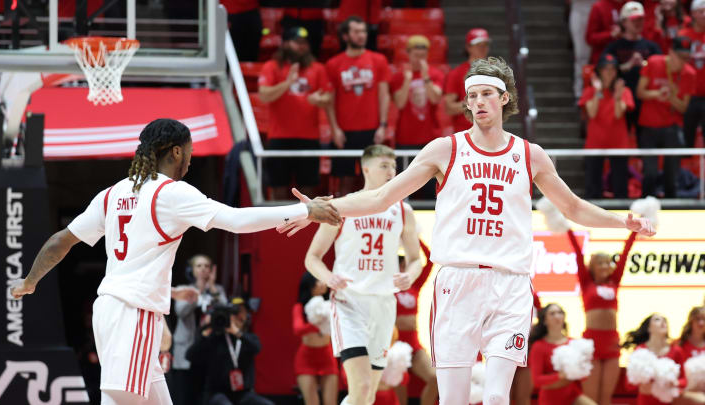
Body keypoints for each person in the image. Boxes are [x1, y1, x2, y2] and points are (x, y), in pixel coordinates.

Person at [279, 56, 655, 405]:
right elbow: (380, 197)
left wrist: (623, 221)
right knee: (454, 400)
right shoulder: (445, 149)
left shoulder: (530, 154)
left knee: (495, 397)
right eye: (472, 96)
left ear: (504, 98)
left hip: (510, 283)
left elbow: (573, 207)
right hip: (457, 282)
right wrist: (321, 208)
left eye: (486, 94)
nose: (478, 102)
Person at [9, 118, 341, 405]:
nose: (191, 163)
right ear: (177, 151)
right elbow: (237, 220)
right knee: (120, 400)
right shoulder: (171, 193)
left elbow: (59, 240)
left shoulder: (111, 194)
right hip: (133, 309)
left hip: (111, 307)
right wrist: (305, 210)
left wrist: (30, 281)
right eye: (191, 154)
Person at [304, 145, 422, 405]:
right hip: (350, 302)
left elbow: (416, 260)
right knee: (362, 386)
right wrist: (328, 277)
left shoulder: (404, 211)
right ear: (364, 168)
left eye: (393, 166)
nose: (391, 172)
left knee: (367, 396)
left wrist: (410, 276)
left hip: (383, 304)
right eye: (383, 166)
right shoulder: (343, 207)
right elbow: (312, 258)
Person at [258, 26, 332, 200]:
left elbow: (328, 97)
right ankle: (277, 223)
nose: (302, 47)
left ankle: (308, 224)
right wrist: (287, 83)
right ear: (285, 44)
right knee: (278, 188)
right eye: (297, 42)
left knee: (308, 190)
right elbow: (264, 95)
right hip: (279, 138)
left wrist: (320, 100)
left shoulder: (318, 68)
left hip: (309, 138)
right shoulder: (272, 66)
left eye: (304, 43)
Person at [568, 223, 637, 405]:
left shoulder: (614, 281)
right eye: (601, 262)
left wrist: (634, 232)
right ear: (592, 266)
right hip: (591, 342)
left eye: (608, 262)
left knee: (606, 398)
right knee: (590, 399)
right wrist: (565, 228)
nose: (606, 265)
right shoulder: (586, 283)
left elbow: (625, 254)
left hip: (612, 342)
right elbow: (577, 252)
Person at [326, 16, 391, 196]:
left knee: (373, 180)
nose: (361, 35)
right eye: (356, 31)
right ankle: (340, 222)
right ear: (345, 36)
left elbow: (384, 94)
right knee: (344, 181)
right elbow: (329, 101)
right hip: (344, 132)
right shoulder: (334, 64)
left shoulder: (378, 60)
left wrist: (383, 125)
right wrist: (334, 129)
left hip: (371, 130)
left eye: (363, 31)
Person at [636, 37, 696, 197]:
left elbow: (684, 107)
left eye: (686, 57)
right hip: (649, 126)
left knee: (672, 175)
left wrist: (671, 97)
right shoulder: (654, 62)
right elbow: (640, 92)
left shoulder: (689, 73)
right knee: (650, 173)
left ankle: (672, 208)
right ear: (670, 52)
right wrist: (657, 93)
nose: (683, 61)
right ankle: (645, 209)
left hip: (672, 127)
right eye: (680, 57)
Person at [186, 300, 273, 405]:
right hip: (217, 392)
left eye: (241, 314)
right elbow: (190, 355)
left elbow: (256, 348)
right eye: (234, 314)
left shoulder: (247, 338)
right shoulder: (214, 339)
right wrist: (206, 330)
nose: (237, 317)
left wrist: (236, 332)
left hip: (243, 393)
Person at [171, 254, 228, 405]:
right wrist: (198, 290)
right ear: (192, 270)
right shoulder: (184, 289)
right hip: (187, 350)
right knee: (185, 396)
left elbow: (226, 312)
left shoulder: (218, 290)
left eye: (206, 266)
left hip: (209, 350)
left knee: (204, 397)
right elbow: (181, 312)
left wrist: (212, 287)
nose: (203, 269)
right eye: (199, 266)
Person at [578, 53, 634, 199]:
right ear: (599, 71)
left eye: (612, 69)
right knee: (593, 187)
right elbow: (592, 113)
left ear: (616, 72)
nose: (609, 73)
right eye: (605, 69)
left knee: (620, 186)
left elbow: (618, 114)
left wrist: (617, 97)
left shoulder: (624, 91)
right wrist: (597, 92)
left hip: (618, 144)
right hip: (595, 144)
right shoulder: (590, 91)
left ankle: (622, 220)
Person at [604, 1, 663, 133]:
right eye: (634, 19)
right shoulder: (614, 47)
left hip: (646, 103)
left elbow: (662, 71)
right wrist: (628, 65)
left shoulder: (652, 47)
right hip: (621, 100)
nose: (638, 23)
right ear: (624, 22)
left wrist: (644, 65)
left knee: (645, 142)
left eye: (641, 19)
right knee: (620, 141)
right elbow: (604, 72)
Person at [393, 241, 438, 405]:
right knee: (400, 391)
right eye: (402, 265)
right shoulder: (386, 287)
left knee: (435, 377)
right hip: (395, 349)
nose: (405, 269)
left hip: (415, 347)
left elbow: (430, 261)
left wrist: (413, 238)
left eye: (406, 265)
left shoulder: (414, 286)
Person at [529, 303, 596, 405]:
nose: (557, 316)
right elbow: (537, 380)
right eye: (552, 313)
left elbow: (583, 377)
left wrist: (583, 368)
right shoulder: (538, 346)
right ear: (545, 320)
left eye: (560, 313)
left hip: (573, 395)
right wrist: (561, 375)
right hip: (550, 399)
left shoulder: (574, 343)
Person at [391, 35, 444, 150]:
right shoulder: (399, 76)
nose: (419, 60)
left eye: (423, 56)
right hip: (405, 137)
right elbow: (399, 103)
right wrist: (407, 82)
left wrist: (426, 77)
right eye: (416, 56)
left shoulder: (436, 74)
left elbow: (435, 99)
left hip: (431, 137)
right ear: (408, 54)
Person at [293, 272, 338, 405]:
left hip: (327, 356)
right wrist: (319, 323)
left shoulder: (331, 304)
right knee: (312, 402)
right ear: (310, 285)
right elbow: (298, 330)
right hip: (306, 358)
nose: (323, 283)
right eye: (319, 280)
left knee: (331, 402)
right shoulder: (300, 307)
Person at [623, 314, 687, 405]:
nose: (663, 322)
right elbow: (628, 384)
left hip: (668, 402)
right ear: (649, 328)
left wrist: (676, 383)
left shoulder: (676, 350)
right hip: (645, 401)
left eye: (665, 321)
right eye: (657, 320)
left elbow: (684, 380)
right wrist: (641, 383)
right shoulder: (640, 350)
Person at [444, 28, 491, 133]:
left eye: (485, 45)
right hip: (466, 134)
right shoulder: (456, 74)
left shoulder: (495, 73)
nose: (483, 48)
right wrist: (474, 101)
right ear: (468, 47)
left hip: (491, 133)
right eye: (478, 45)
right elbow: (449, 108)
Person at [679, 0, 705, 149]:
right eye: (701, 11)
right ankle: (683, 172)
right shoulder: (683, 35)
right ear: (693, 14)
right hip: (688, 96)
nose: (704, 15)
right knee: (685, 140)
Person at [571, 0, 599, 97]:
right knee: (581, 55)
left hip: (598, 9)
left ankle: (595, 91)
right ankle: (579, 91)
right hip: (579, 10)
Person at [677, 306, 705, 404]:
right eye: (698, 319)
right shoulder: (679, 344)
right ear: (691, 321)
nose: (701, 323)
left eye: (704, 319)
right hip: (686, 392)